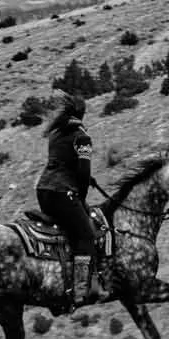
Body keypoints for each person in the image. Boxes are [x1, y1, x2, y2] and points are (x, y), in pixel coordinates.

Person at [36, 94, 110, 304]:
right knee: (86, 235)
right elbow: (83, 173)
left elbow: (63, 162)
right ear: (82, 113)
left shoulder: (55, 133)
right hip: (63, 193)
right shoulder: (82, 137)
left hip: (43, 191)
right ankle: (81, 288)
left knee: (71, 228)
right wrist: (81, 196)